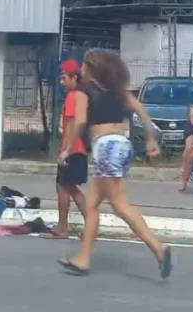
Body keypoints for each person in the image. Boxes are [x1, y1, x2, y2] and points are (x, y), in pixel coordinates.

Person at [57, 49, 172, 279]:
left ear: (90, 67)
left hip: (106, 147)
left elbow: (79, 122)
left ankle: (159, 249)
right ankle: (83, 259)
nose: (80, 69)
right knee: (91, 204)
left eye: (82, 65)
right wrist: (150, 139)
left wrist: (68, 149)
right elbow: (142, 112)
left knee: (120, 205)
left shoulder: (83, 91)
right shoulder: (118, 91)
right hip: (121, 144)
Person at [44, 59, 89, 239]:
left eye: (64, 78)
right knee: (67, 187)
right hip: (78, 149)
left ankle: (65, 227)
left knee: (66, 187)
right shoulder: (81, 95)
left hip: (72, 150)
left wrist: (65, 150)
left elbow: (71, 124)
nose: (62, 82)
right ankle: (79, 225)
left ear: (74, 77)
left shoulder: (73, 96)